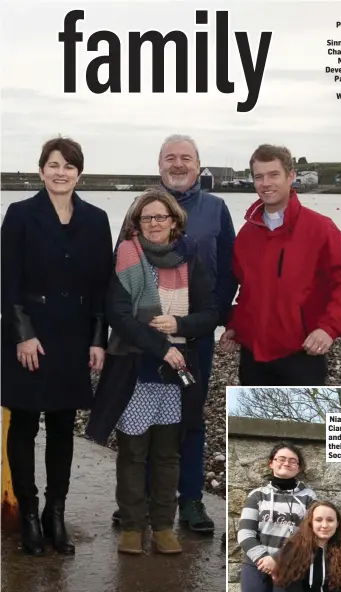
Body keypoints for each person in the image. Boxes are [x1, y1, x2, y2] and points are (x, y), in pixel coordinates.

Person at [111, 134, 237, 533]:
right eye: (170, 158)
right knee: (144, 419)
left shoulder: (216, 209)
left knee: (191, 420)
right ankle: (143, 499)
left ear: (199, 165)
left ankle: (192, 501)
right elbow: (118, 275)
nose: (178, 164)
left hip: (195, 338)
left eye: (186, 158)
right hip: (144, 341)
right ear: (159, 165)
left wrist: (203, 319)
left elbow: (230, 271)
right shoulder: (138, 212)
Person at [85, 187, 219, 554]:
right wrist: (162, 347)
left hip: (176, 374)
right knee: (132, 453)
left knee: (167, 455)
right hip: (135, 368)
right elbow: (118, 315)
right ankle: (132, 525)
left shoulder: (192, 260)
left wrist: (178, 325)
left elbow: (210, 314)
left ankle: (162, 526)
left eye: (161, 216)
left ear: (174, 220)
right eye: (147, 218)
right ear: (137, 223)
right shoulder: (127, 257)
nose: (155, 223)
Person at [1, 137, 113, 556]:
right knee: (25, 425)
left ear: (79, 173)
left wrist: (98, 340)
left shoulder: (97, 218)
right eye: (53, 164)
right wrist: (22, 333)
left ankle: (55, 513)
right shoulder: (20, 215)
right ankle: (29, 515)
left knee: (64, 428)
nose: (60, 172)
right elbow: (7, 280)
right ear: (41, 170)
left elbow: (102, 285)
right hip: (31, 337)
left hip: (73, 337)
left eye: (68, 166)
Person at [220, 143, 341, 386]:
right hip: (253, 356)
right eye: (259, 176)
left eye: (273, 175)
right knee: (251, 424)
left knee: (301, 423)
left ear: (290, 177)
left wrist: (328, 329)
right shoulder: (247, 234)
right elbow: (247, 291)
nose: (265, 183)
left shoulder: (320, 228)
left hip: (302, 353)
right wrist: (236, 327)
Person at [237, 442, 317, 592]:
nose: (287, 463)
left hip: (291, 564)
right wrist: (265, 560)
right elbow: (245, 533)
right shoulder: (257, 494)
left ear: (299, 468)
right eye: (281, 459)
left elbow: (309, 535)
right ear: (271, 463)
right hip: (256, 564)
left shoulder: (309, 497)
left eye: (293, 461)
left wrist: (277, 559)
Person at [272, 500, 341, 592]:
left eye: (330, 520)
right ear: (311, 523)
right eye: (318, 520)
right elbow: (281, 585)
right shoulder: (292, 550)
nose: (324, 525)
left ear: (337, 524)